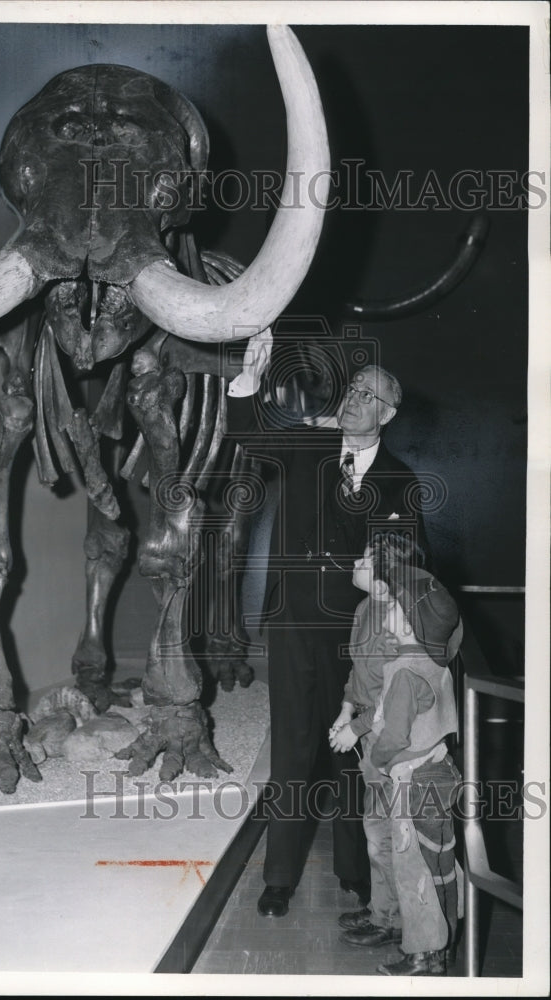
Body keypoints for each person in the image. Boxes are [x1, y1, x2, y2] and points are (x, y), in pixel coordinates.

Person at [225, 329, 429, 917]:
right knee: (292, 747)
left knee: (349, 756)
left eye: (367, 395)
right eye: (352, 390)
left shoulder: (401, 480)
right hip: (292, 624)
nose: (352, 399)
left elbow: (407, 566)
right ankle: (279, 877)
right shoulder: (305, 448)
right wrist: (249, 379)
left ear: (386, 415)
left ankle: (356, 874)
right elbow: (245, 431)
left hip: (355, 634)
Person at [330, 531, 463, 975]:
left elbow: (395, 705)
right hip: (382, 743)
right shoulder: (368, 610)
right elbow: (358, 675)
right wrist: (346, 711)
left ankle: (422, 941)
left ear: (388, 582)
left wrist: (359, 731)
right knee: (379, 838)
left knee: (409, 849)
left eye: (367, 558)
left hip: (397, 751)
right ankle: (387, 918)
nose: (357, 560)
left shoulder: (406, 627)